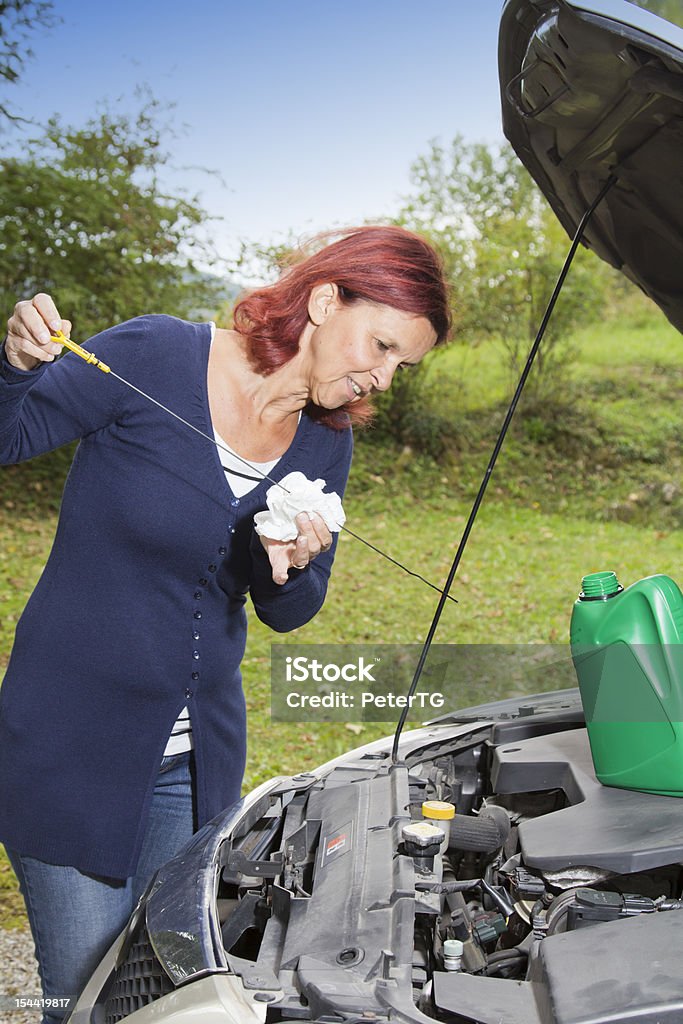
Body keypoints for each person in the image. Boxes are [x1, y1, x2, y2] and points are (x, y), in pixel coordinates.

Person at [0, 225, 450, 1021]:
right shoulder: (153, 356)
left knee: (172, 995)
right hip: (69, 746)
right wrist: (14, 366)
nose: (380, 377)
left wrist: (294, 565)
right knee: (83, 1001)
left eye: (399, 366)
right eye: (379, 345)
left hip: (195, 764)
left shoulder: (323, 440)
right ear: (321, 301)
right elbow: (10, 434)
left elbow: (289, 611)